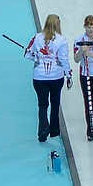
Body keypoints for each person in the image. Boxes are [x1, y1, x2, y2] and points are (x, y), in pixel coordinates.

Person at [25, 14, 71, 144]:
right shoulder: (62, 40)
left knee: (42, 104)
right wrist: (69, 75)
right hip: (56, 77)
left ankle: (42, 132)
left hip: (39, 77)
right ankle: (55, 131)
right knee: (55, 103)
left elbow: (28, 54)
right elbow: (63, 59)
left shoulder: (37, 37)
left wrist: (37, 57)